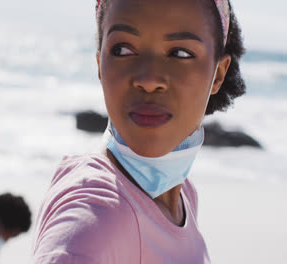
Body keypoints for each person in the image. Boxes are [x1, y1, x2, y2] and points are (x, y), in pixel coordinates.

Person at [33, 0, 245, 263]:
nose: (149, 79)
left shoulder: (184, 195)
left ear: (218, 75)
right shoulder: (95, 217)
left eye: (180, 53)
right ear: (100, 64)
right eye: (123, 50)